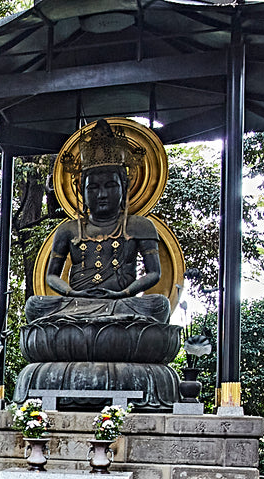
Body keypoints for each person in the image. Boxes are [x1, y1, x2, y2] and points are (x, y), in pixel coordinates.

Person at [25, 119, 170, 325]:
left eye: (111, 185)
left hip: (122, 303)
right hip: (76, 304)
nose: (102, 194)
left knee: (159, 305)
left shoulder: (139, 226)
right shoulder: (68, 230)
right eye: (92, 187)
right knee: (35, 305)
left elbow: (154, 272)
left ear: (125, 187)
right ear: (81, 191)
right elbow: (51, 276)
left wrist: (122, 294)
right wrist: (72, 292)